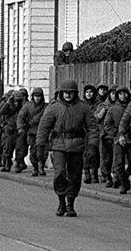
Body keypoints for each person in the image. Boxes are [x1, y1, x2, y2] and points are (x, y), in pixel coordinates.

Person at [36, 79, 99, 217]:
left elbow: (92, 127)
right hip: (59, 144)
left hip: (77, 145)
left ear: (75, 93)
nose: (68, 95)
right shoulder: (54, 107)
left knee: (75, 176)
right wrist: (40, 145)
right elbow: (44, 127)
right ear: (61, 93)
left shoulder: (83, 108)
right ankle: (61, 201)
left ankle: (70, 203)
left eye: (71, 93)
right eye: (66, 92)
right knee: (59, 173)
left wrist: (93, 145)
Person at [17, 87, 49, 176]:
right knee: (33, 152)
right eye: (35, 96)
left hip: (43, 132)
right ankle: (35, 167)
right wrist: (21, 128)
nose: (37, 98)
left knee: (43, 152)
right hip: (32, 132)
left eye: (39, 96)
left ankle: (41, 166)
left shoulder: (46, 107)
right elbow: (21, 117)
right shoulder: (28, 106)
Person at [105, 86, 131, 192]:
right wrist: (116, 134)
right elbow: (107, 125)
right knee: (119, 163)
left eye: (125, 93)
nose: (123, 96)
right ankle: (124, 183)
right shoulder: (112, 109)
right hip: (118, 139)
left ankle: (123, 178)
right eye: (120, 94)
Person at [81, 84, 101, 183]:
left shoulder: (99, 104)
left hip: (94, 132)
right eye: (87, 92)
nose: (89, 94)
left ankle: (94, 173)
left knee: (93, 153)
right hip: (83, 132)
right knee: (85, 154)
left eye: (91, 92)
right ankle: (87, 174)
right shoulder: (81, 105)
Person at [93, 83, 112, 184]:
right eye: (101, 89)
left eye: (105, 90)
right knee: (104, 156)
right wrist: (103, 111)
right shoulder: (102, 105)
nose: (103, 91)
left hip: (114, 134)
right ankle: (104, 174)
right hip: (103, 134)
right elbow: (96, 118)